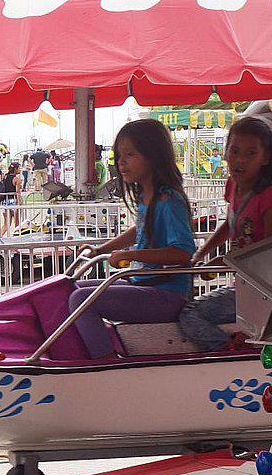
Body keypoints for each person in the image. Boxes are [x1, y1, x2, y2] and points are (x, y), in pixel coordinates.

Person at [64, 119, 196, 359]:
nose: (121, 162)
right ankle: (79, 352)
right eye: (119, 156)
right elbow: (139, 230)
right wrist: (100, 250)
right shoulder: (148, 196)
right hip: (144, 283)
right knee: (69, 288)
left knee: (82, 299)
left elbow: (182, 252)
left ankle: (104, 362)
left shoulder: (169, 200)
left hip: (167, 294)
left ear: (152, 156)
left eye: (129, 155)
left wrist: (131, 254)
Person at [177, 117, 272, 351]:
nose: (240, 160)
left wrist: (226, 261)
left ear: (266, 158)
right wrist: (201, 254)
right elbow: (231, 223)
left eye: (251, 154)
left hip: (270, 290)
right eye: (235, 151)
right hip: (247, 283)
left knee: (190, 312)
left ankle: (229, 350)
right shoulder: (234, 185)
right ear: (226, 153)